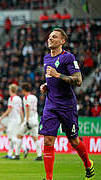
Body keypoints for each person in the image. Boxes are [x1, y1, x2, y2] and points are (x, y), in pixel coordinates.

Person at [39, 28, 95, 180]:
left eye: (54, 37)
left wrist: (58, 75)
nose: (50, 39)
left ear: (62, 41)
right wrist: (46, 85)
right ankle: (49, 178)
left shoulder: (68, 57)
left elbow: (78, 80)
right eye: (50, 36)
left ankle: (88, 164)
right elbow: (51, 79)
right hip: (50, 104)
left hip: (67, 105)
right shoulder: (46, 58)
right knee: (48, 139)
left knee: (73, 140)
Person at [16, 82, 42, 161]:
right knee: (35, 138)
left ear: (24, 90)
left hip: (29, 119)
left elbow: (27, 108)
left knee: (19, 135)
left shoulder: (26, 98)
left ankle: (17, 154)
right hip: (35, 119)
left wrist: (26, 121)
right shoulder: (34, 97)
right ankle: (39, 155)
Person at [0, 84, 23, 160]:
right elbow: (21, 110)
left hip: (13, 120)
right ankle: (9, 154)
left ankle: (25, 148)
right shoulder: (19, 98)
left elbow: (9, 109)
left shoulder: (11, 98)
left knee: (11, 137)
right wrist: (22, 119)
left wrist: (1, 117)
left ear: (10, 90)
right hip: (18, 119)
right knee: (13, 137)